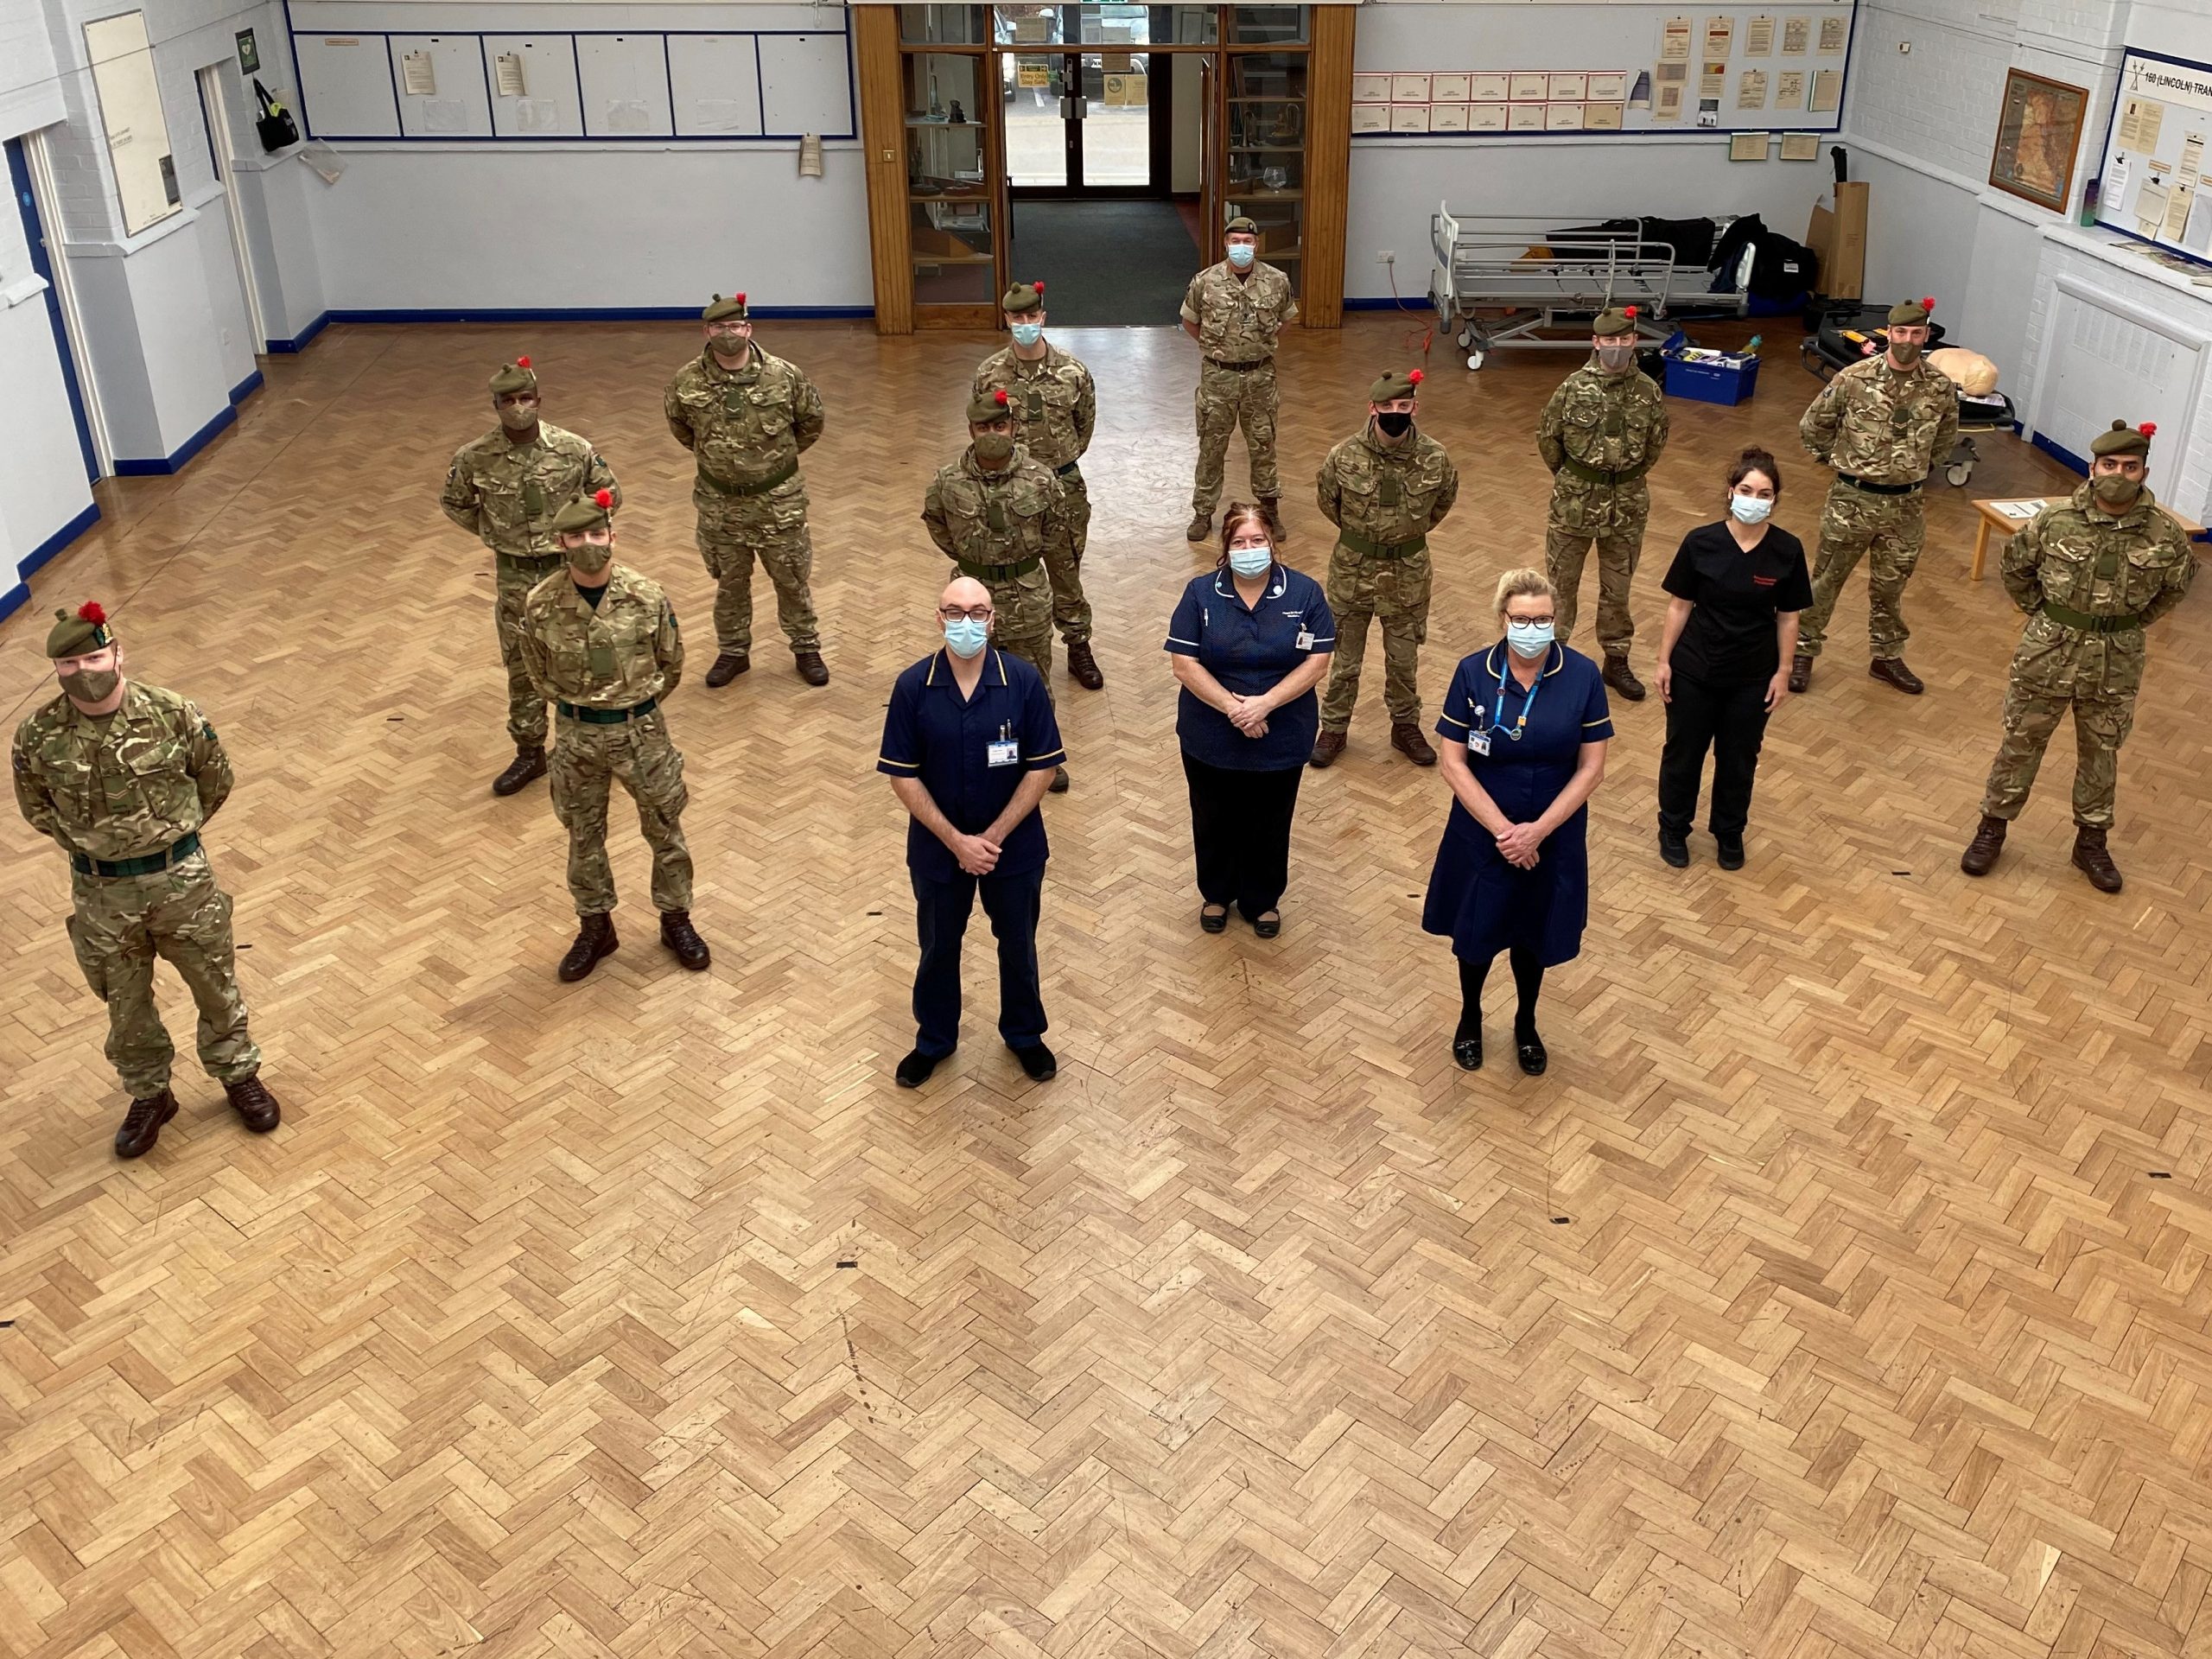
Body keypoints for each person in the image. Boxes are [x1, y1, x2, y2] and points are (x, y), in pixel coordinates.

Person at [11, 602, 283, 1157]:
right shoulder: (37, 735)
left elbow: (215, 779)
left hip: (181, 882)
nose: (84, 671)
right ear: (56, 672)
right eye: (69, 666)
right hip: (102, 895)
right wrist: (98, 851)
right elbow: (36, 808)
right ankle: (150, 1095)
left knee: (214, 982)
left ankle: (237, 1076)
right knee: (125, 1006)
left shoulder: (172, 712)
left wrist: (169, 840)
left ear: (116, 652)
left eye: (93, 656)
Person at [1961, 419, 2196, 892]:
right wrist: (2047, 616)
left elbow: (2173, 590)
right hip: (2049, 650)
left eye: (2130, 467)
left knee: (2102, 753)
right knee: (2020, 743)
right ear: (2092, 467)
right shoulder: (2055, 520)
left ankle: (2091, 841)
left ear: (2144, 474)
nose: (2118, 474)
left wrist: (2122, 627)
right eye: (2109, 464)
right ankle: (1992, 828)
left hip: (2116, 660)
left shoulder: (2164, 534)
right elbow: (2016, 567)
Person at [879, 576, 1066, 1089]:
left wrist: (993, 837)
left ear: (992, 619)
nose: (967, 622)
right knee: (938, 946)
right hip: (939, 851)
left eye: (978, 612)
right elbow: (902, 773)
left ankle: (1025, 1035)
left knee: (1019, 944)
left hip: (1016, 849)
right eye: (955, 612)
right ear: (939, 619)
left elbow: (1043, 768)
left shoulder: (1023, 681)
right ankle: (934, 1040)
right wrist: (957, 842)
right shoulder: (913, 686)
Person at [1422, 570, 1612, 1076]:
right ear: (1503, 619)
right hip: (1483, 831)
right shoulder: (1472, 672)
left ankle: (1526, 1023)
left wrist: (1538, 831)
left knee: (1534, 931)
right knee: (1477, 929)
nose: (1533, 628)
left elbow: (1591, 767)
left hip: (1554, 830)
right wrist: (1507, 832)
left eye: (1543, 619)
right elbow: (1453, 762)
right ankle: (1470, 1016)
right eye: (1523, 619)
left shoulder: (1582, 674)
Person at [518, 490, 710, 981]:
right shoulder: (541, 605)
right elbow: (536, 674)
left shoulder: (645, 594)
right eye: (578, 536)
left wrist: (632, 707)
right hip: (577, 736)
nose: (589, 544)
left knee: (665, 829)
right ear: (560, 542)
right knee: (583, 837)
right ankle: (595, 927)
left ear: (612, 537)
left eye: (597, 534)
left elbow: (671, 662)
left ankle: (675, 920)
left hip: (642, 733)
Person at [439, 355, 620, 795]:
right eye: (508, 400)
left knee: (584, 657)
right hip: (515, 574)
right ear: (495, 405)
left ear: (539, 400)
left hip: (571, 570)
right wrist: (494, 532)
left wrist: (580, 536)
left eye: (525, 398)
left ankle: (592, 749)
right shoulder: (475, 457)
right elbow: (455, 502)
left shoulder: (572, 449)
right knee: (524, 666)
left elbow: (608, 494)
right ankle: (530, 753)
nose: (518, 406)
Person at [1165, 502, 1335, 936]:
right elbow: (1184, 663)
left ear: (1272, 544)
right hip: (1210, 732)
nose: (1249, 548)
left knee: (1271, 819)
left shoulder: (1305, 593)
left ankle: (1262, 900)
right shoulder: (1201, 593)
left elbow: (1318, 662)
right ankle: (1217, 894)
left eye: (1257, 540)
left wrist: (1265, 704)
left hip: (1282, 731)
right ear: (1225, 549)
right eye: (1239, 542)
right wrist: (1235, 708)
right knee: (1212, 815)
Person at [1652, 448, 1812, 869]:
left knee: (1739, 761)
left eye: (1764, 493)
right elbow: (1679, 606)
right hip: (1694, 669)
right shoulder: (1700, 542)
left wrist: (1783, 671)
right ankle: (1673, 827)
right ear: (1730, 491)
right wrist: (1664, 661)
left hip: (1752, 677)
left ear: (1775, 500)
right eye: (1746, 490)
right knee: (1683, 755)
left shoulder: (1787, 551)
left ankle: (1729, 832)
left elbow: (1788, 618)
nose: (1754, 500)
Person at [1792, 295, 1960, 696]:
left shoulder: (1939, 388)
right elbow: (1813, 426)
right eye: (1900, 332)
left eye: (1915, 333)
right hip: (1853, 500)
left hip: (1905, 506)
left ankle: (1886, 656)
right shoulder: (1855, 378)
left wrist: (1916, 471)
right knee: (1826, 581)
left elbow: (1945, 440)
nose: (1907, 340)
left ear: (1926, 336)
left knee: (1891, 586)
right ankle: (1802, 652)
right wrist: (1838, 462)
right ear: (1888, 333)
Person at [664, 292, 830, 688]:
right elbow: (682, 428)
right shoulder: (687, 380)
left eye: (735, 326)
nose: (728, 334)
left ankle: (806, 648)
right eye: (719, 327)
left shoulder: (784, 375)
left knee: (791, 579)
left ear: (749, 328)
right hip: (720, 504)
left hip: (778, 501)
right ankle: (733, 652)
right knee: (730, 583)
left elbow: (811, 422)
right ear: (706, 331)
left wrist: (772, 465)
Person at [922, 388, 1071, 791]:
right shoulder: (948, 480)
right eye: (984, 427)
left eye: (1000, 425)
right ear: (971, 429)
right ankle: (973, 753)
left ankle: (1043, 757)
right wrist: (972, 559)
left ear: (1014, 428)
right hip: (970, 595)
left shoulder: (1041, 479)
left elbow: (1057, 532)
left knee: (1035, 682)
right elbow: (935, 522)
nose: (993, 433)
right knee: (968, 680)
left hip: (1027, 594)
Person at [1311, 369, 1459, 768]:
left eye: (1404, 406)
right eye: (1388, 407)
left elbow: (1442, 504)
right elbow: (1329, 502)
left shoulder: (1434, 456)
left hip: (1408, 573)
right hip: (1352, 571)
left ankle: (1405, 726)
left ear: (1415, 407)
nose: (1396, 413)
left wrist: (1404, 536)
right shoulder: (1343, 456)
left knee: (1404, 660)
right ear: (1372, 408)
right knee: (1344, 659)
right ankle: (1334, 728)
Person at [973, 279, 1104, 691]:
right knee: (1011, 569)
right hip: (1008, 488)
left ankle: (1078, 645)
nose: (1025, 324)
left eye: (1032, 317)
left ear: (1043, 317)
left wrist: (1054, 466)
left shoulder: (1073, 371)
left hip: (1063, 485)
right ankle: (1008, 645)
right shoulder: (990, 373)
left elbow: (1084, 426)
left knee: (1066, 569)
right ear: (1007, 320)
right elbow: (982, 429)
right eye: (1017, 318)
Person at [1536, 304, 1670, 702]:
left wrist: (1621, 476)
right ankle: (1552, 660)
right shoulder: (1572, 387)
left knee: (1618, 588)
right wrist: (1577, 477)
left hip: (1627, 503)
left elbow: (1655, 443)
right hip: (1575, 502)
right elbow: (1549, 440)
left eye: (1624, 340)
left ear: (1634, 341)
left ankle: (1616, 660)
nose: (1616, 347)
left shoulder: (1649, 390)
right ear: (1595, 342)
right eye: (1609, 340)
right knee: (1561, 587)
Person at [1182, 214, 1299, 544]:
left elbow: (1286, 319)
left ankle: (1270, 509)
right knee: (1211, 447)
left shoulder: (1276, 281)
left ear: (1256, 244)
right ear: (1225, 244)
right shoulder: (1205, 281)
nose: (1241, 247)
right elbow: (1189, 321)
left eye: (1247, 242)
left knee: (1263, 445)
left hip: (1260, 377)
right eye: (1235, 241)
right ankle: (1203, 512)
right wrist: (1214, 347)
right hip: (1218, 378)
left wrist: (1263, 345)